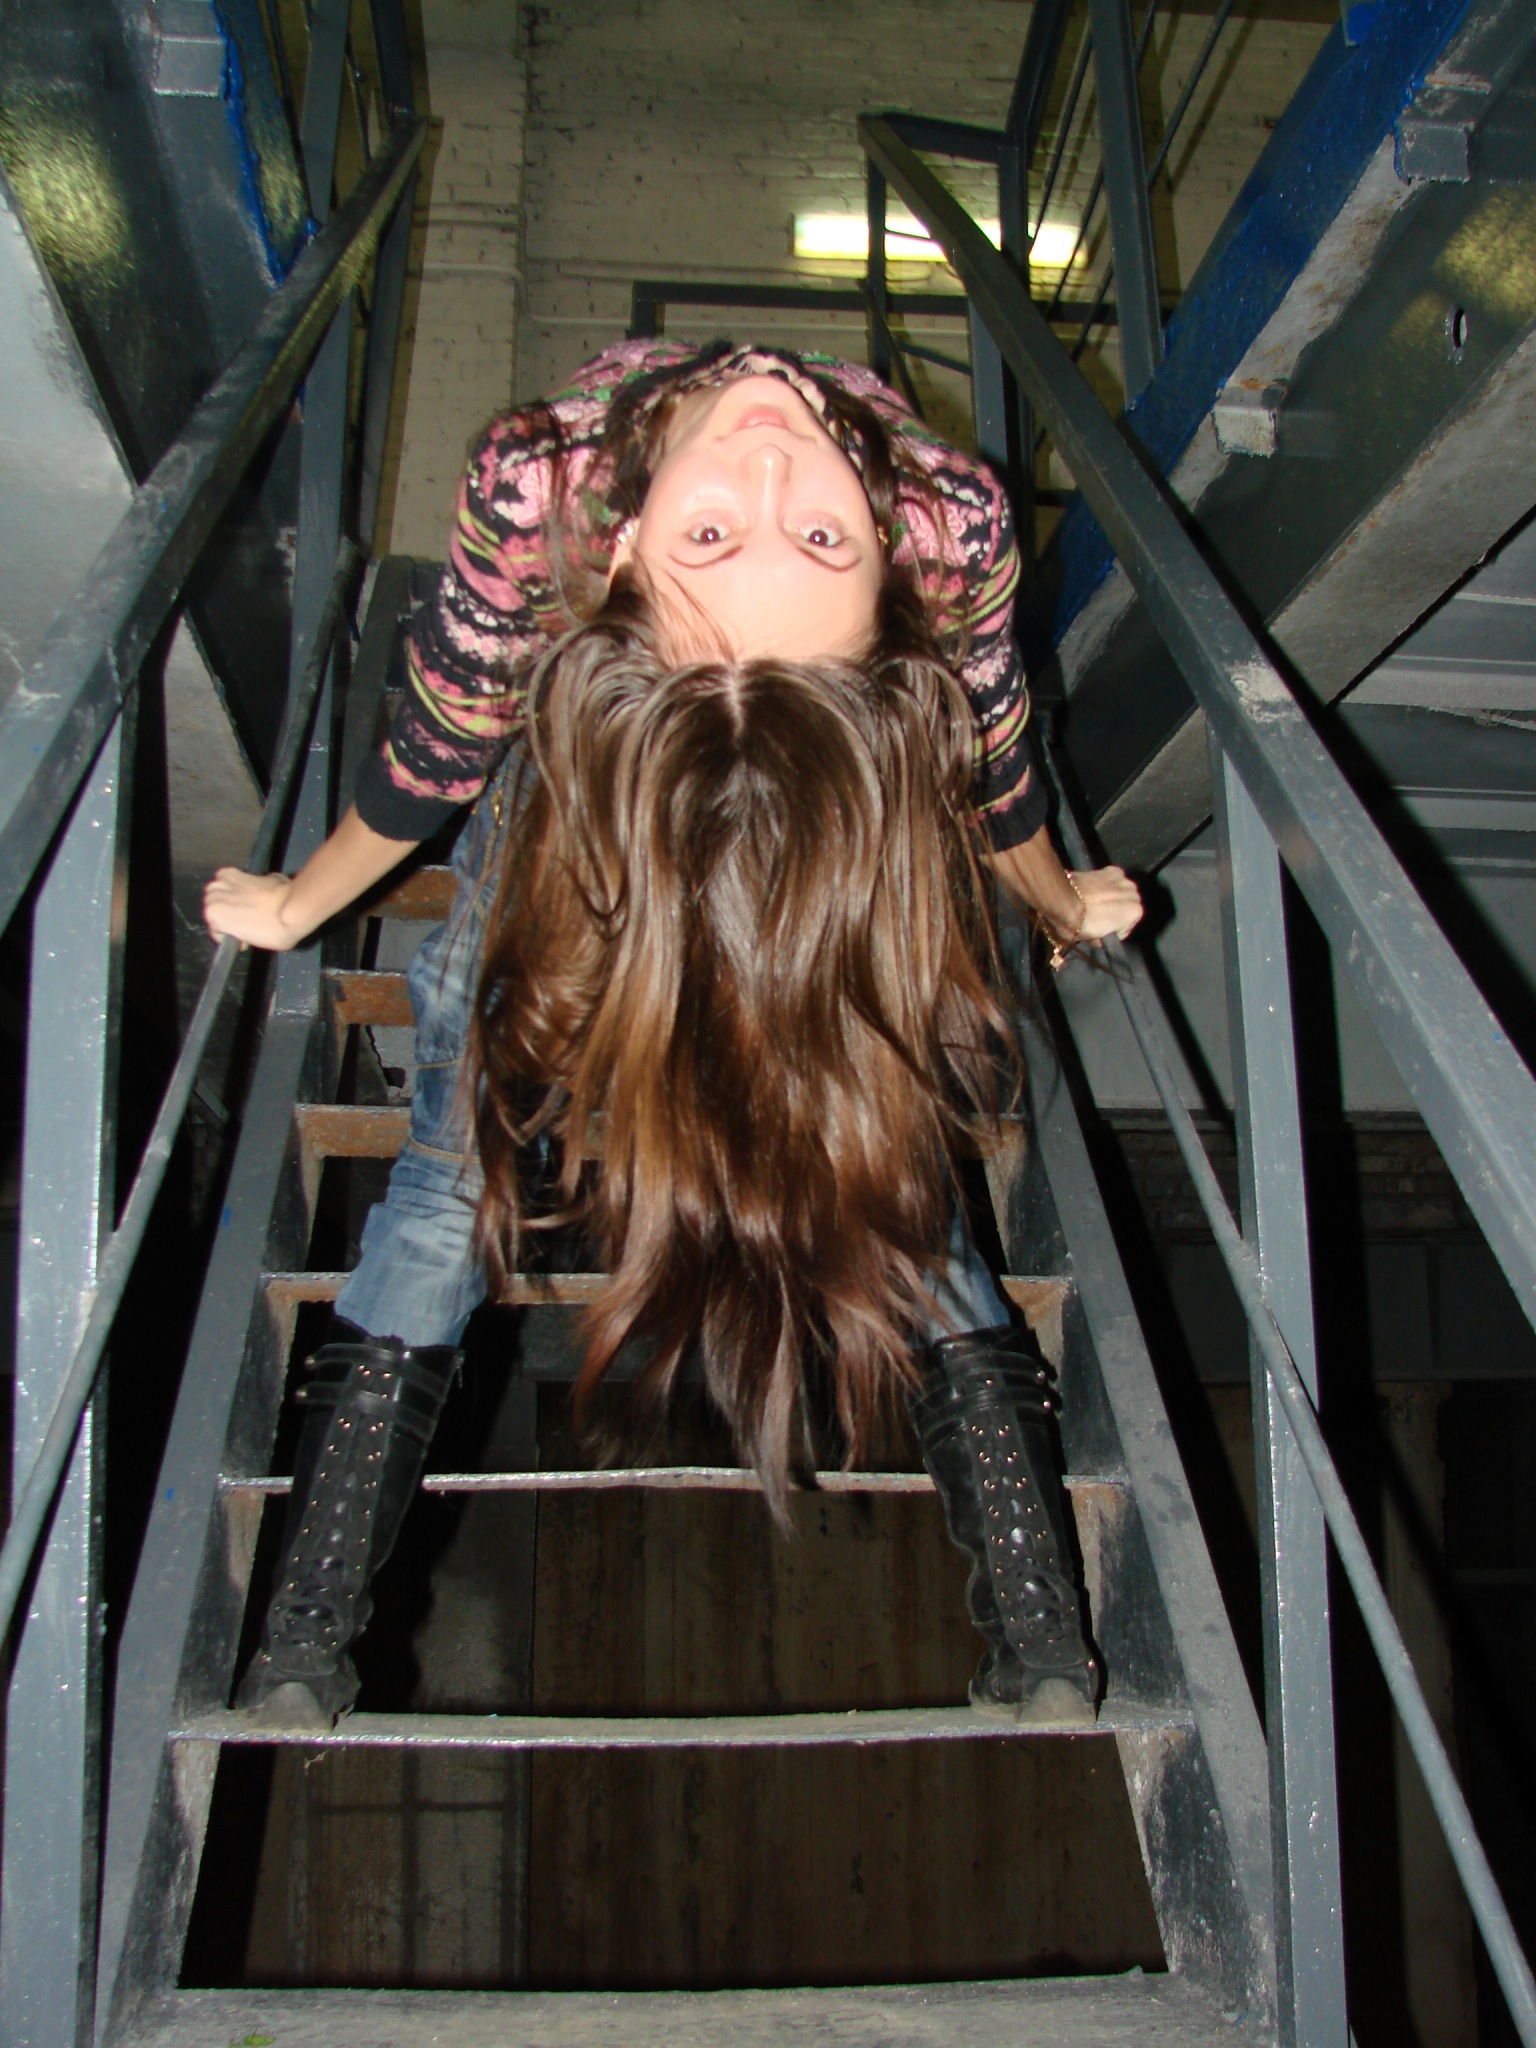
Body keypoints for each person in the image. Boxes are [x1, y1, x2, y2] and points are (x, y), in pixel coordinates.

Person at [205, 338, 1143, 1733]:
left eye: (816, 537)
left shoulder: (922, 523)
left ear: (893, 590)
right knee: (484, 1180)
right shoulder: (555, 497)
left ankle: (299, 1651)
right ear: (623, 550)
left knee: (505, 1179)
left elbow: (993, 757)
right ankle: (1044, 1643)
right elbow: (444, 744)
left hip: (789, 840)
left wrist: (1063, 902)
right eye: (731, 536)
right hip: (604, 792)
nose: (769, 461)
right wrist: (296, 904)